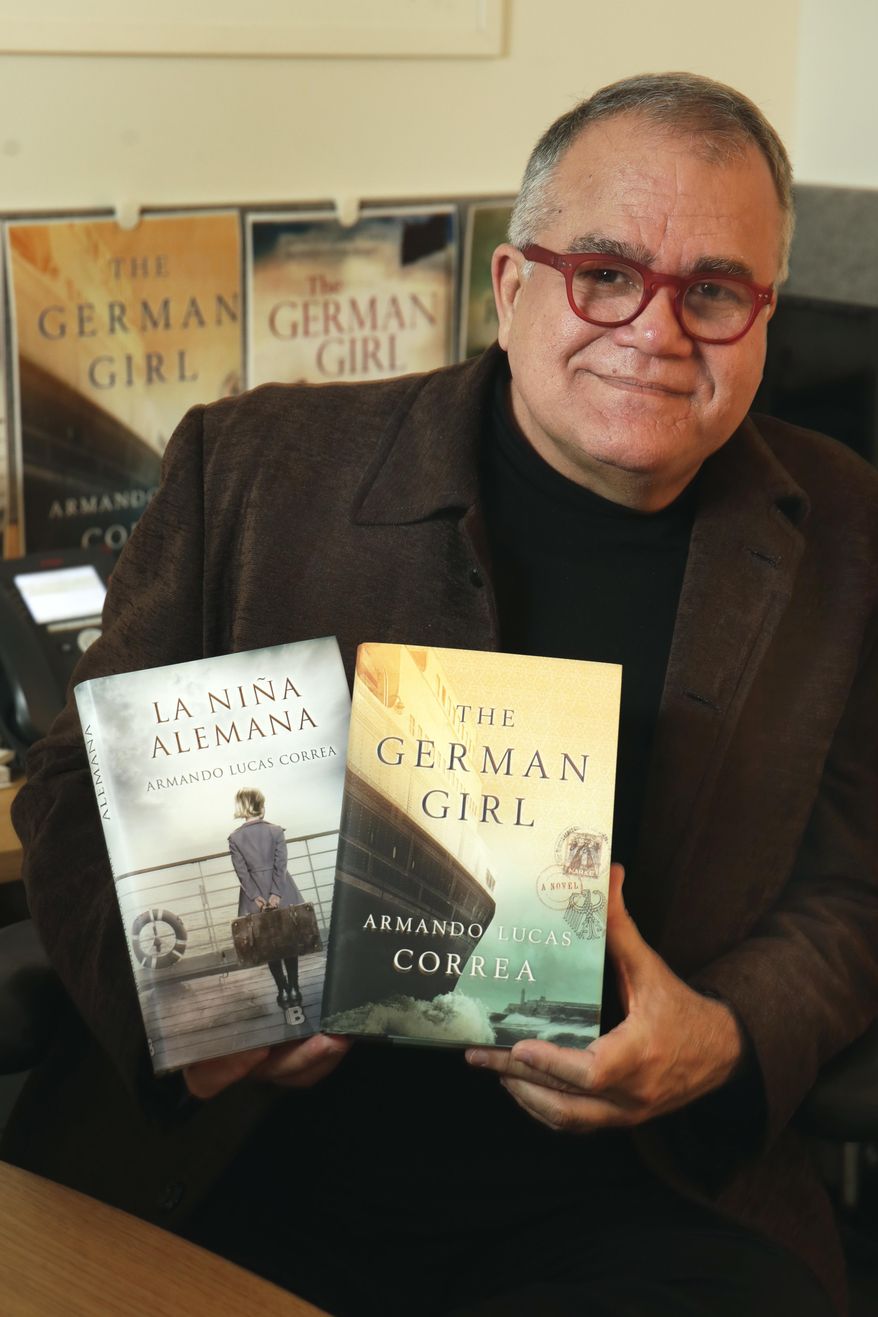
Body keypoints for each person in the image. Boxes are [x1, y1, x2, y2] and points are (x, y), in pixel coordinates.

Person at [6, 71, 878, 1317]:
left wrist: (720, 1038)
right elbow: (67, 785)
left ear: (764, 315)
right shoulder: (254, 464)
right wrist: (193, 1039)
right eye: (606, 271)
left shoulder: (842, 522)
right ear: (512, 284)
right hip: (246, 1159)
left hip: (639, 1195)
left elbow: (852, 886)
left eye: (715, 293)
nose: (656, 330)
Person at [228, 787, 303, 1009]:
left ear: (242, 808)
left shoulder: (234, 838)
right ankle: (295, 987)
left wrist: (257, 898)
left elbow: (241, 874)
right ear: (261, 805)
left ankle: (282, 990)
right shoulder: (276, 831)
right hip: (282, 889)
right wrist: (276, 894)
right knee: (288, 941)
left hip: (254, 895)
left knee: (268, 946)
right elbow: (281, 866)